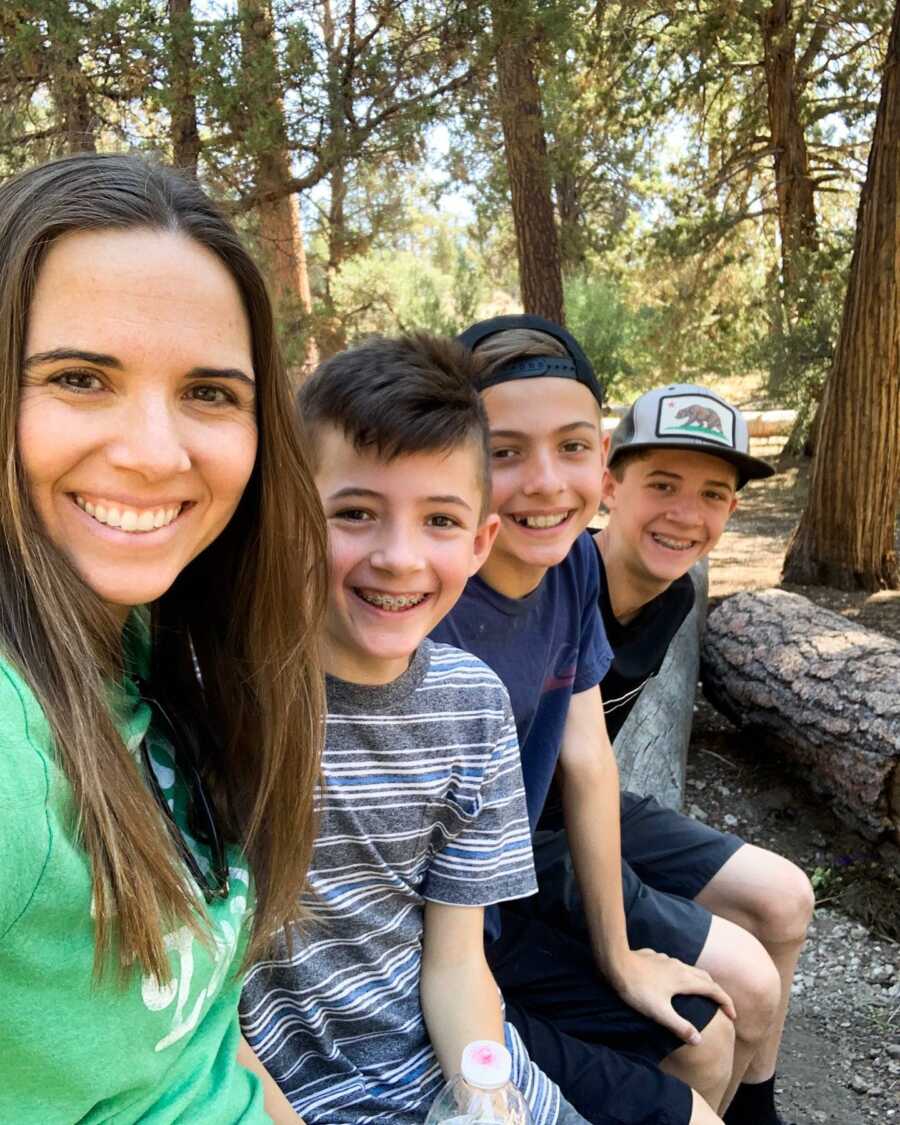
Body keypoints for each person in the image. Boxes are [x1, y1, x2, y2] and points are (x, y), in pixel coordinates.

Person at [0, 153, 327, 1123]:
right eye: (79, 377)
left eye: (209, 392)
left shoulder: (154, 641)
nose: (153, 451)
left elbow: (202, 1048)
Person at [240, 334, 587, 1125]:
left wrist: (484, 1097)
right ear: (293, 514)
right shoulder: (227, 703)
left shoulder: (474, 706)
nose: (398, 558)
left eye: (439, 519)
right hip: (284, 1096)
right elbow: (195, 1008)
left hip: (448, 1061)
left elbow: (458, 960)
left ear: (480, 541)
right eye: (355, 513)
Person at [432, 315, 736, 1125]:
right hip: (427, 963)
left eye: (569, 446)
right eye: (503, 451)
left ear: (600, 461)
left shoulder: (569, 571)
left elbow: (591, 760)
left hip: (496, 921)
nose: (544, 482)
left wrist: (620, 954)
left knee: (707, 1033)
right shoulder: (421, 608)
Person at [547, 384, 815, 1125]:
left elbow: (597, 762)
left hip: (588, 806)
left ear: (731, 510)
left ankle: (756, 1106)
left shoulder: (673, 595)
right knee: (744, 987)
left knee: (787, 895)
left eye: (713, 494)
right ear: (609, 481)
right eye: (661, 484)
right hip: (531, 841)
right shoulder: (556, 579)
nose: (685, 514)